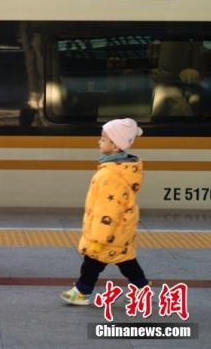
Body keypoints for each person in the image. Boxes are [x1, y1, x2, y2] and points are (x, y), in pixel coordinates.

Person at [61, 118, 150, 305]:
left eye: (103, 139)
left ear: (115, 146)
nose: (98, 142)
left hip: (107, 234)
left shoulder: (110, 175)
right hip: (120, 230)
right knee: (126, 261)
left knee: (92, 263)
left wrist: (98, 239)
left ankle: (82, 292)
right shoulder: (121, 170)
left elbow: (107, 210)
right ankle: (141, 289)